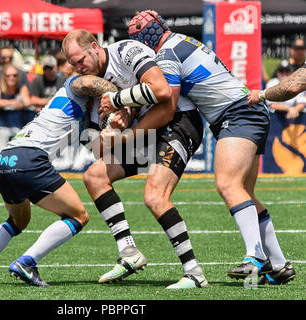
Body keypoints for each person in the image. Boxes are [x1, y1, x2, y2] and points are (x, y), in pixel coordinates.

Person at [127, 10, 295, 285]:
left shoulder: (166, 55)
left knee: (228, 184)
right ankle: (278, 265)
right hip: (251, 109)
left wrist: (127, 109)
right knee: (245, 192)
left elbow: (167, 103)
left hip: (238, 113)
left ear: (143, 43)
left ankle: (257, 257)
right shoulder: (183, 40)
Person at [62, 29, 208, 289]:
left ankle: (194, 273)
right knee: (94, 176)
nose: (78, 67)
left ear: (95, 47)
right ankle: (129, 253)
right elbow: (99, 146)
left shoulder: (126, 51)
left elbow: (162, 93)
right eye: (72, 64)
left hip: (179, 121)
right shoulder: (93, 81)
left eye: (80, 60)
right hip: (150, 130)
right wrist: (115, 126)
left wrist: (124, 117)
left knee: (154, 196)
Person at [0, 72, 120, 286]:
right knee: (79, 216)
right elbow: (88, 81)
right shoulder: (73, 89)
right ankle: (27, 262)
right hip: (30, 160)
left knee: (18, 221)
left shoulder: (70, 112)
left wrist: (112, 131)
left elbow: (97, 150)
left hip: (5, 160)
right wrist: (120, 100)